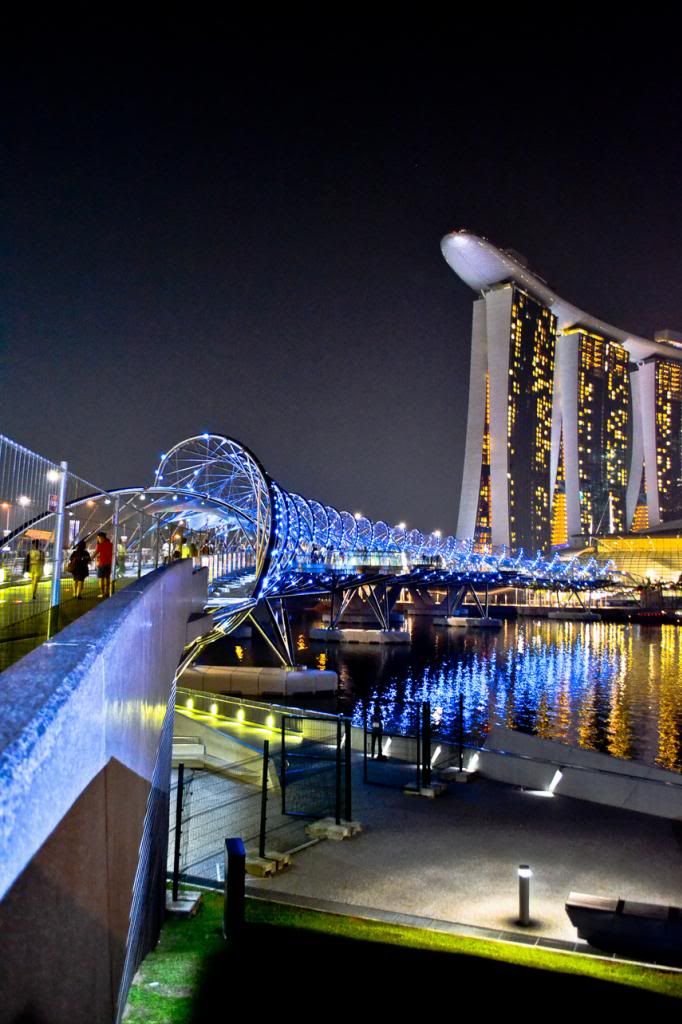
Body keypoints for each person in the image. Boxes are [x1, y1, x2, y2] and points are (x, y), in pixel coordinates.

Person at [94, 530, 113, 597]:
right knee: (107, 578)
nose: (98, 540)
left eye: (98, 538)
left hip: (101, 564)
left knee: (101, 579)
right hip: (109, 564)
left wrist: (89, 559)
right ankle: (107, 592)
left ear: (102, 538)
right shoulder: (111, 545)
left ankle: (102, 593)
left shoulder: (100, 545)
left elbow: (94, 554)